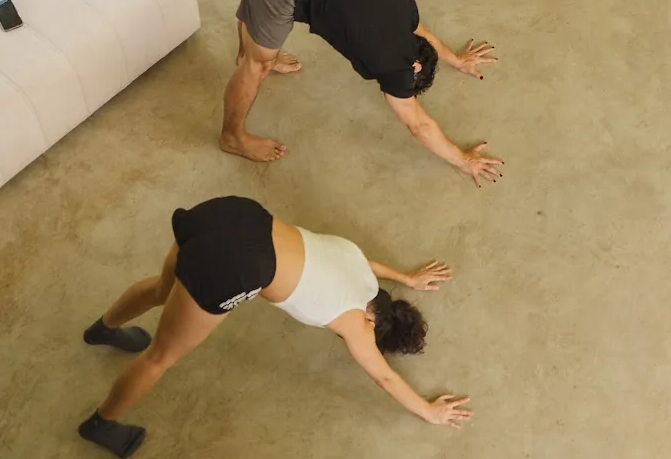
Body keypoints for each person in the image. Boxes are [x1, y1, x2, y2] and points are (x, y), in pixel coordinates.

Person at [76, 196, 471, 457]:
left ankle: (104, 329)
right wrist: (428, 411)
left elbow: (372, 266)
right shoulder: (358, 323)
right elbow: (384, 377)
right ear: (375, 323)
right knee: (160, 357)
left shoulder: (356, 262)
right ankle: (100, 424)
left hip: (234, 214)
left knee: (163, 289)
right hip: (235, 263)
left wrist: (408, 277)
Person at [220, 0, 502, 176]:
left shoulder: (404, 12)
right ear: (413, 69)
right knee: (258, 65)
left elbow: (426, 34)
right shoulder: (396, 68)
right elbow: (418, 125)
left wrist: (457, 60)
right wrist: (463, 160)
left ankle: (254, 44)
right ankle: (233, 137)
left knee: (263, 6)